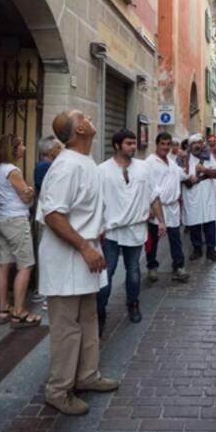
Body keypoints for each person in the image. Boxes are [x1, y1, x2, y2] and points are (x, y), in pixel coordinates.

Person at [37, 110, 119, 415]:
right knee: (66, 328)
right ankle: (58, 390)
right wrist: (85, 247)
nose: (89, 116)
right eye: (81, 115)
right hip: (68, 258)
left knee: (88, 320)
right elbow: (53, 214)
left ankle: (86, 376)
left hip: (86, 256)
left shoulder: (85, 163)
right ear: (80, 130)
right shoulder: (66, 166)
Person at [96, 129, 166, 331]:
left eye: (134, 143)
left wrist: (161, 220)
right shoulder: (102, 170)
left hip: (136, 228)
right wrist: (97, 228)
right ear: (117, 145)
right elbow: (96, 202)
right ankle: (100, 310)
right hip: (110, 231)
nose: (133, 147)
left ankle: (133, 304)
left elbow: (153, 196)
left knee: (134, 271)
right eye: (128, 143)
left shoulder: (143, 168)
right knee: (107, 274)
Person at [0, 134, 41, 328]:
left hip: (2, 220)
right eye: (21, 145)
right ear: (13, 149)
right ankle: (19, 312)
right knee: (25, 265)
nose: (24, 148)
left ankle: (4, 308)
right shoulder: (13, 170)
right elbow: (26, 197)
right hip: (16, 221)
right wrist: (29, 190)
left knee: (3, 265)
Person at [144, 132, 190, 284]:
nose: (165, 147)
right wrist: (149, 207)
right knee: (154, 240)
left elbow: (186, 176)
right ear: (156, 145)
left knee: (175, 239)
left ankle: (178, 267)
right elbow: (144, 187)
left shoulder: (172, 163)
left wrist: (187, 161)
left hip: (173, 209)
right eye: (162, 144)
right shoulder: (149, 163)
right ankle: (152, 267)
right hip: (157, 207)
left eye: (168, 144)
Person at [31, 135, 62, 304]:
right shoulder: (45, 166)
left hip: (47, 215)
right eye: (58, 147)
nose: (61, 149)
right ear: (50, 150)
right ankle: (44, 293)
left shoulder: (47, 165)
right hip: (47, 217)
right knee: (48, 253)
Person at [183, 133, 216, 262]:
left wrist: (204, 170)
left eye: (199, 143)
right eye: (194, 143)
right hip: (192, 194)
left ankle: (211, 250)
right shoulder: (184, 158)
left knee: (209, 221)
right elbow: (177, 176)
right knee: (194, 222)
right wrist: (188, 178)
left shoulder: (208, 157)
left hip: (207, 194)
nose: (197, 145)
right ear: (190, 145)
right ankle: (197, 249)